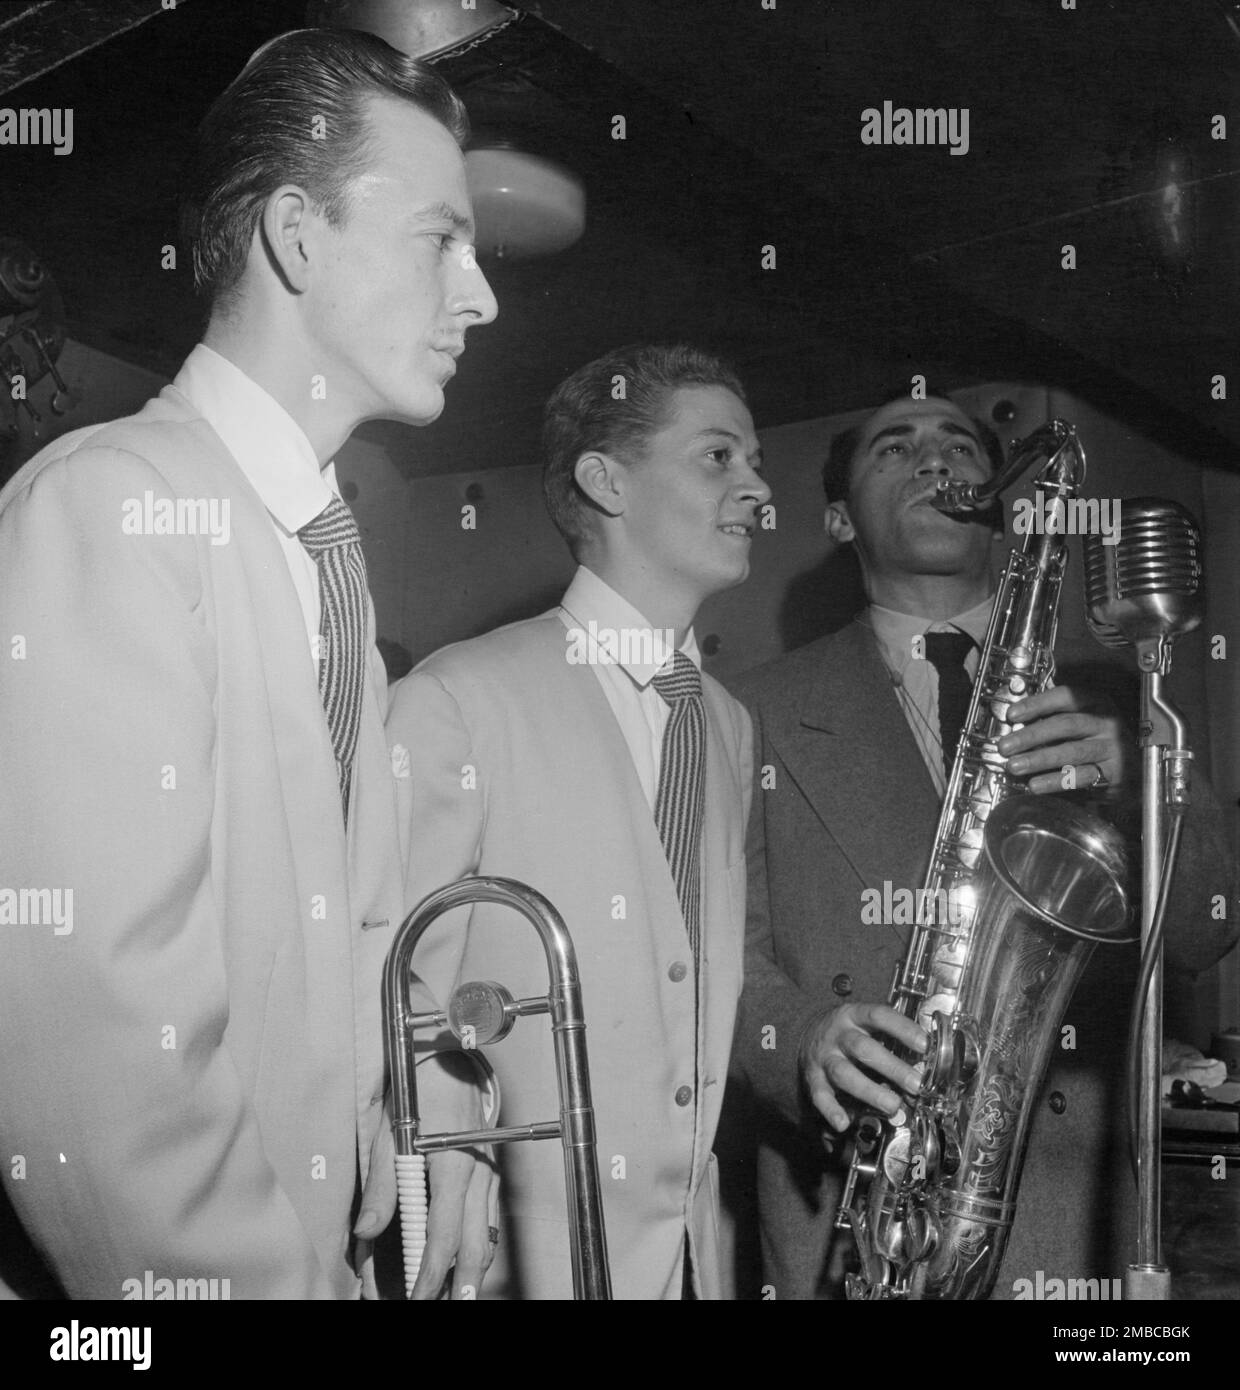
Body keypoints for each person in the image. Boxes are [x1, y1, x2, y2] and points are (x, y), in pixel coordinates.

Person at [0, 28, 497, 1299]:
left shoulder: (325, 553)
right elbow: (102, 1075)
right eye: (442, 238)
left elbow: (310, 943)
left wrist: (380, 1133)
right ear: (297, 234)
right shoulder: (108, 505)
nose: (481, 294)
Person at [729, 389, 1238, 1299]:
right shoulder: (750, 707)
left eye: (963, 445)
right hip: (864, 1216)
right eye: (895, 448)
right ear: (840, 518)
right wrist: (801, 1039)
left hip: (1076, 1223)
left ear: (1002, 501)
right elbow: (714, 954)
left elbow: (1206, 930)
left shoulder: (1121, 697)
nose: (938, 462)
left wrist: (1146, 780)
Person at [386, 344, 769, 1298]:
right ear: (605, 481)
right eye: (720, 457)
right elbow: (390, 977)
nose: (759, 489)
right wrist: (457, 1151)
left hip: (693, 1263)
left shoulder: (727, 725)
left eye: (756, 462)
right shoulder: (457, 697)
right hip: (512, 1260)